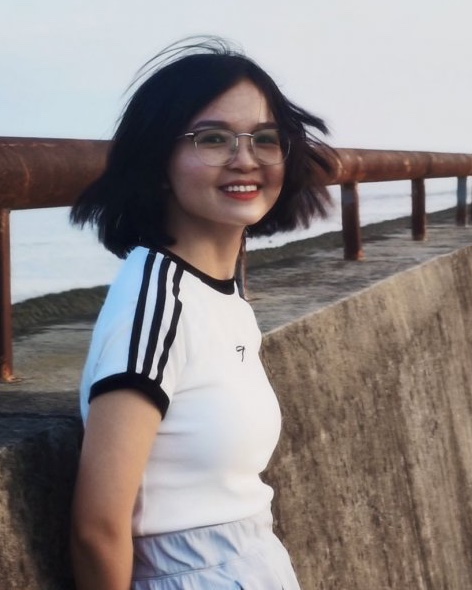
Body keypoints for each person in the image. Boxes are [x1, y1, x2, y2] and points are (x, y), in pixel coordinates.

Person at [70, 36, 333, 590]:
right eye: (212, 138)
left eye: (265, 138)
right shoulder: (155, 303)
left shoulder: (223, 294)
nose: (245, 159)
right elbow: (98, 529)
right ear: (158, 162)